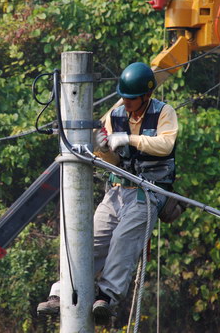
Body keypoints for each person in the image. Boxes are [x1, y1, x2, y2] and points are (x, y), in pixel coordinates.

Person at [37, 62, 179, 322]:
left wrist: (129, 139)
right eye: (123, 96)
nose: (125, 102)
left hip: (147, 192)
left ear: (145, 96)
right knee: (88, 240)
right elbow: (109, 159)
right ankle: (62, 291)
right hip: (116, 190)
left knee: (123, 242)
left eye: (131, 98)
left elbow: (166, 144)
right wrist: (103, 148)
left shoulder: (163, 113)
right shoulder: (116, 114)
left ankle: (107, 297)